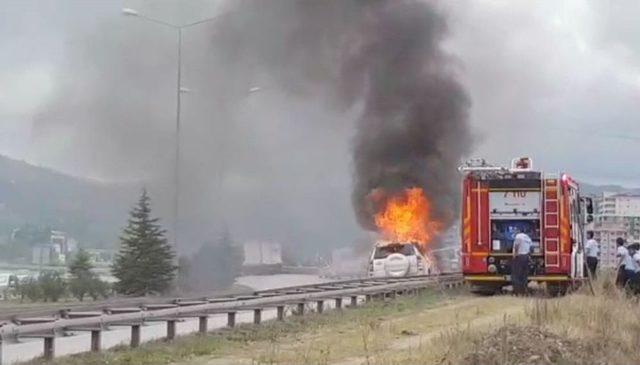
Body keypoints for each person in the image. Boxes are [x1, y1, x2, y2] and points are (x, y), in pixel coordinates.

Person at [511, 227, 532, 295]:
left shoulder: (518, 236)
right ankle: (524, 291)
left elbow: (516, 246)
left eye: (515, 231)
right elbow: (531, 247)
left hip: (519, 257)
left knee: (517, 275)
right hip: (526, 257)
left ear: (518, 231)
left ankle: (517, 291)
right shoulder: (527, 237)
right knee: (524, 275)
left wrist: (515, 254)